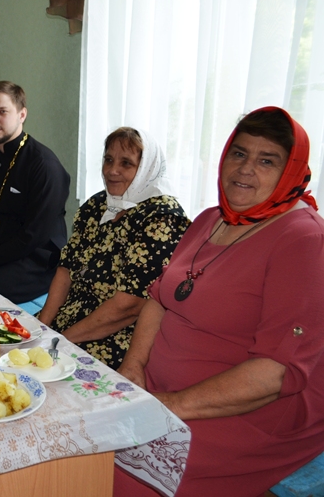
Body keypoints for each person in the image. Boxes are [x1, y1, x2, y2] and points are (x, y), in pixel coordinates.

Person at [115, 107, 324, 496]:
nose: (246, 169)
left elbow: (275, 374)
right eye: (239, 153)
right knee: (75, 441)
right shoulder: (211, 218)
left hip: (245, 412)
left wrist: (170, 405)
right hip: (162, 391)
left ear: (291, 172)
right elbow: (160, 299)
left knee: (118, 476)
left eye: (267, 161)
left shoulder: (304, 240)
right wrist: (133, 366)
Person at [38, 127, 189, 370]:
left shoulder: (162, 218)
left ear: (147, 168)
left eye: (126, 163)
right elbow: (66, 269)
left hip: (115, 338)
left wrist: (60, 342)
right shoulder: (98, 205)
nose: (112, 170)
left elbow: (129, 306)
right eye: (108, 160)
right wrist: (42, 328)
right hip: (67, 322)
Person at [0, 81, 70, 308]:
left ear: (22, 115)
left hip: (35, 262)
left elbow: (34, 235)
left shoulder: (44, 165)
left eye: (2, 112)